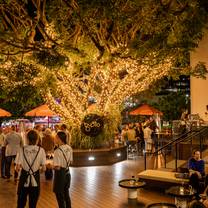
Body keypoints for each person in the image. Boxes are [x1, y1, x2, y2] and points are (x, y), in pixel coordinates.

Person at [15, 130, 46, 208]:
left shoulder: (21, 149)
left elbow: (17, 168)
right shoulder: (41, 150)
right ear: (37, 139)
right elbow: (43, 169)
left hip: (24, 178)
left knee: (21, 203)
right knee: (33, 204)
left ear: (27, 139)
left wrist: (20, 169)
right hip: (35, 178)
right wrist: (38, 169)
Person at [53, 131, 73, 208]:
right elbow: (71, 161)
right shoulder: (69, 148)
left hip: (60, 175)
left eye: (55, 137)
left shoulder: (58, 151)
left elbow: (57, 167)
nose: (54, 139)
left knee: (59, 195)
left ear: (59, 139)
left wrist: (50, 166)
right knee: (66, 194)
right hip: (67, 173)